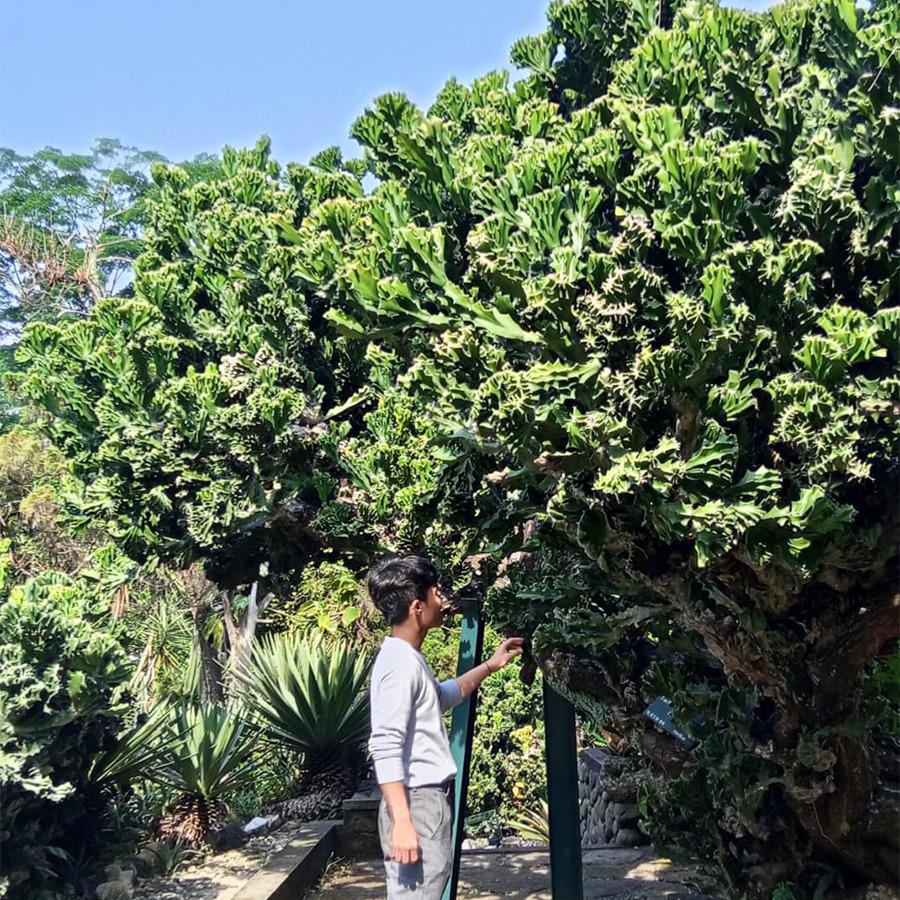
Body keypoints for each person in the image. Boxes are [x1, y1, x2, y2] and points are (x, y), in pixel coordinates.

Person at [367, 555, 524, 899]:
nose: (442, 600)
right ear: (417, 607)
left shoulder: (406, 658)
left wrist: (490, 665)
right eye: (436, 593)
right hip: (416, 803)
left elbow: (440, 696)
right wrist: (403, 821)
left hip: (422, 802)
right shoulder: (399, 665)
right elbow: (385, 744)